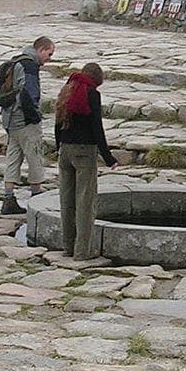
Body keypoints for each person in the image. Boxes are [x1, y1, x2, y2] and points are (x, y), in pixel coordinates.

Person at [54, 62, 118, 259]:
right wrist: (108, 158)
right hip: (84, 151)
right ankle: (83, 251)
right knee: (85, 201)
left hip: (65, 149)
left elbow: (58, 121)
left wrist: (59, 147)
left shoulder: (67, 88)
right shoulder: (91, 93)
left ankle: (67, 246)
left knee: (67, 200)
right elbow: (96, 127)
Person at [0, 36, 55, 216]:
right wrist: (35, 117)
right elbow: (29, 94)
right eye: (49, 53)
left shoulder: (14, 61)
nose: (49, 58)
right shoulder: (29, 66)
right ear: (40, 49)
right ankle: (36, 197)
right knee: (35, 156)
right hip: (25, 121)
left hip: (10, 120)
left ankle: (8, 199)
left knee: (13, 158)